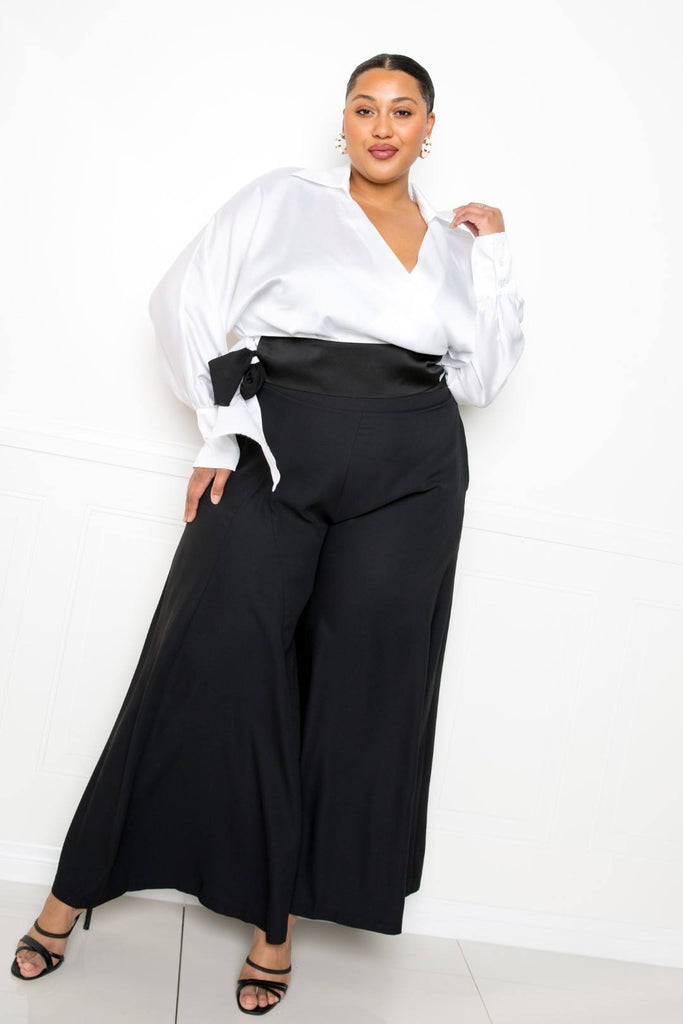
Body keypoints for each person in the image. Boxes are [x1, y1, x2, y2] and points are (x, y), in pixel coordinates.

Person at [10, 52, 525, 1015]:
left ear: (427, 128)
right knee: (203, 657)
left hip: (413, 471)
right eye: (364, 108)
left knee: (352, 694)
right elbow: (184, 301)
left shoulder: (456, 246)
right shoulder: (285, 199)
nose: (381, 126)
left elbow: (482, 378)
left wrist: (493, 257)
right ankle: (71, 892)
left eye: (401, 110)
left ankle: (273, 926)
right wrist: (224, 431)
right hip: (279, 442)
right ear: (343, 122)